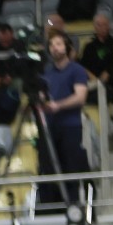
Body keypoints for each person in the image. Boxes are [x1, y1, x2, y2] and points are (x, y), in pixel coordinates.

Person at [35, 29, 90, 207]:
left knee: (70, 169)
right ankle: (52, 209)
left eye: (58, 44)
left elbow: (80, 97)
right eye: (51, 45)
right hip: (49, 127)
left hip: (70, 127)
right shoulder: (46, 72)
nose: (55, 48)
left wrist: (58, 105)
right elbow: (42, 95)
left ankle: (73, 207)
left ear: (66, 47)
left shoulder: (77, 70)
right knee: (48, 170)